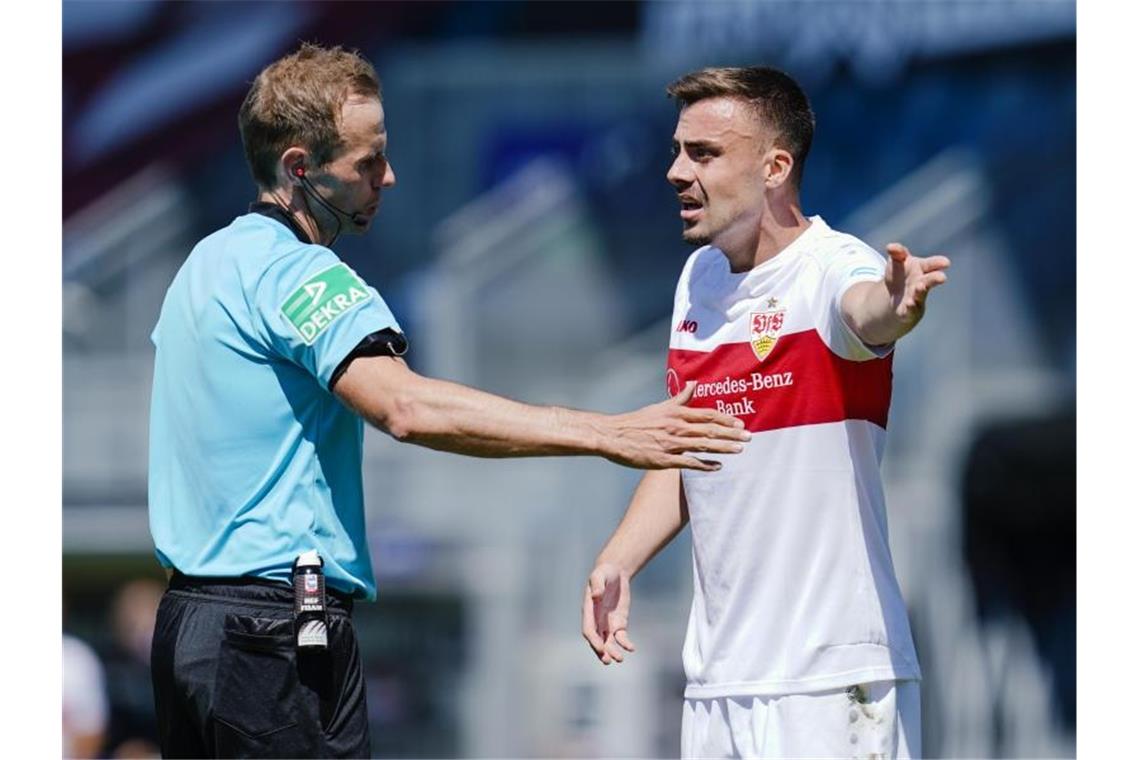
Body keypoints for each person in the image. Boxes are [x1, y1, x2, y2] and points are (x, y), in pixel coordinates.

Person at [146, 44, 748, 759]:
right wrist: (605, 431)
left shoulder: (204, 264)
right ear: (300, 168)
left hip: (191, 628)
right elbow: (405, 406)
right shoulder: (298, 273)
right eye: (367, 162)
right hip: (273, 633)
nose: (388, 177)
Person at [581, 66, 950, 758]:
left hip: (830, 681)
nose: (674, 172)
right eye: (677, 150)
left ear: (776, 166)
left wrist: (893, 309)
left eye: (704, 153)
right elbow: (691, 442)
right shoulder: (699, 281)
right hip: (719, 684)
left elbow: (863, 310)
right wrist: (619, 558)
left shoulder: (835, 266)